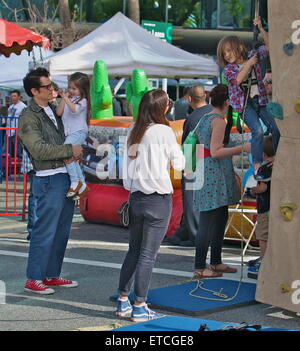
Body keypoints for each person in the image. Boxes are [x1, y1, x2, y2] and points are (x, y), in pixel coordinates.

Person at [116, 89, 185, 321]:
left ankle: (123, 300)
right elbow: (179, 162)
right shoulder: (164, 131)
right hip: (158, 198)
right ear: (161, 108)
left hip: (136, 198)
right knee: (148, 255)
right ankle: (140, 305)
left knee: (134, 251)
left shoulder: (132, 130)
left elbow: (125, 169)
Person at [19, 67, 83, 295]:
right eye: (47, 86)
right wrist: (69, 149)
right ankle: (34, 278)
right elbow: (37, 149)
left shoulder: (53, 110)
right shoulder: (28, 115)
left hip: (63, 175)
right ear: (35, 91)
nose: (52, 89)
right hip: (48, 177)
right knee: (44, 231)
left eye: (51, 85)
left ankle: (51, 274)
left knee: (61, 230)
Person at [193, 84, 250, 278]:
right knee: (209, 221)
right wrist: (243, 148)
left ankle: (215, 261)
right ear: (228, 101)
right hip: (213, 173)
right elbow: (216, 151)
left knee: (219, 218)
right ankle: (200, 266)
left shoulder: (206, 117)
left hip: (206, 170)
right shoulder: (218, 121)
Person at [217, 16, 280, 181]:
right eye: (225, 53)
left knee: (275, 127)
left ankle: (279, 157)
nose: (228, 55)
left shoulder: (253, 55)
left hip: (259, 100)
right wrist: (249, 64)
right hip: (244, 105)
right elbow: (238, 79)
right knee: (257, 131)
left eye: (230, 50)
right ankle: (257, 165)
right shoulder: (229, 69)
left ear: (239, 46)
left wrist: (261, 28)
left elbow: (270, 47)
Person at [168, 85, 213, 247]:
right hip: (211, 162)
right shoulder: (214, 113)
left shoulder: (193, 118)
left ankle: (195, 236)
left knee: (191, 201)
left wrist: (185, 167)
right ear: (205, 96)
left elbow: (189, 144)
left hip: (195, 163)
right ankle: (184, 232)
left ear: (188, 98)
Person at [56, 72, 90, 200]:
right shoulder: (70, 99)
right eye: (70, 87)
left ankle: (75, 182)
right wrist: (65, 99)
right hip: (70, 133)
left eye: (74, 88)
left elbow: (74, 110)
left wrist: (65, 98)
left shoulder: (83, 101)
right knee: (71, 157)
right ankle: (82, 184)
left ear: (82, 89)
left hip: (79, 131)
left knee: (66, 153)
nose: (71, 90)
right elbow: (58, 112)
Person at [248, 136, 274, 279]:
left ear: (263, 154)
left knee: (263, 236)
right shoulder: (281, 164)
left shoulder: (264, 169)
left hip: (265, 208)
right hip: (277, 206)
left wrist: (253, 190)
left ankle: (264, 263)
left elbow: (262, 187)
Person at [21, 149, 36, 241]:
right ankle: (34, 231)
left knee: (34, 198)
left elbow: (9, 134)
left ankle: (33, 231)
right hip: (40, 163)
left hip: (32, 163)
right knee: (36, 198)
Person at [6, 90, 26, 158]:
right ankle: (11, 164)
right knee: (10, 150)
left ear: (19, 97)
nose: (12, 97)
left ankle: (18, 166)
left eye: (14, 96)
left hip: (18, 131)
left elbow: (25, 119)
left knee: (18, 150)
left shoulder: (23, 106)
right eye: (11, 96)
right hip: (9, 131)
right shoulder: (11, 106)